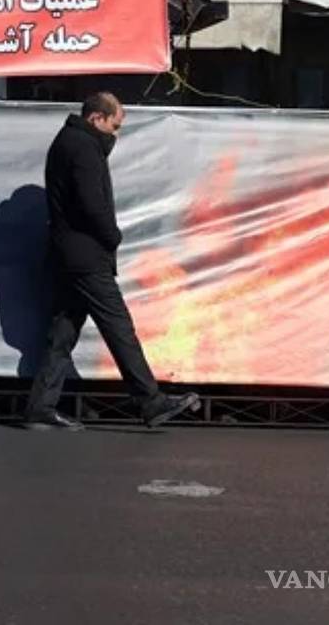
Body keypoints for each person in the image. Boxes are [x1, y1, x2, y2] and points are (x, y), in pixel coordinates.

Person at [24, 92, 200, 431]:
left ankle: (40, 407)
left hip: (69, 255)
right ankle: (149, 400)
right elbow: (93, 205)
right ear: (96, 119)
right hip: (87, 257)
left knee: (63, 332)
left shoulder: (67, 142)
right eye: (114, 126)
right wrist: (113, 236)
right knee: (119, 328)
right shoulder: (84, 148)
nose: (115, 135)